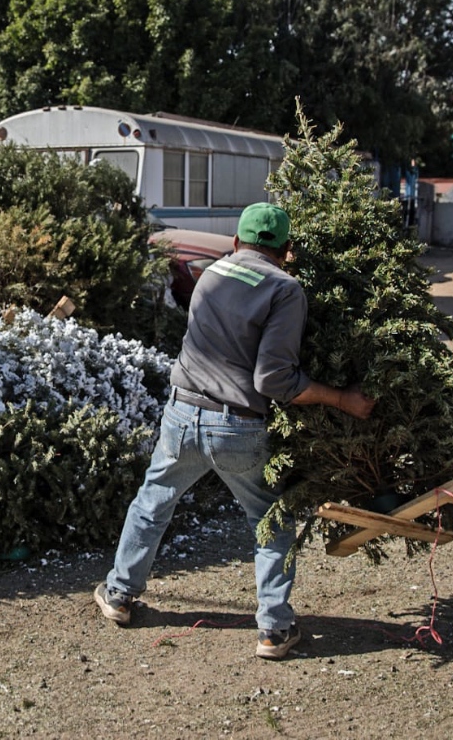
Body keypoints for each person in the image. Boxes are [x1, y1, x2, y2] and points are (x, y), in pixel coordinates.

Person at [94, 202, 376, 659]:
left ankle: (120, 594)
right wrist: (343, 398)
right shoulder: (286, 290)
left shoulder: (211, 274)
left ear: (236, 242)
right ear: (287, 251)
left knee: (152, 503)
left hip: (181, 414)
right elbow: (273, 381)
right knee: (271, 521)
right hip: (238, 427)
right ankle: (273, 629)